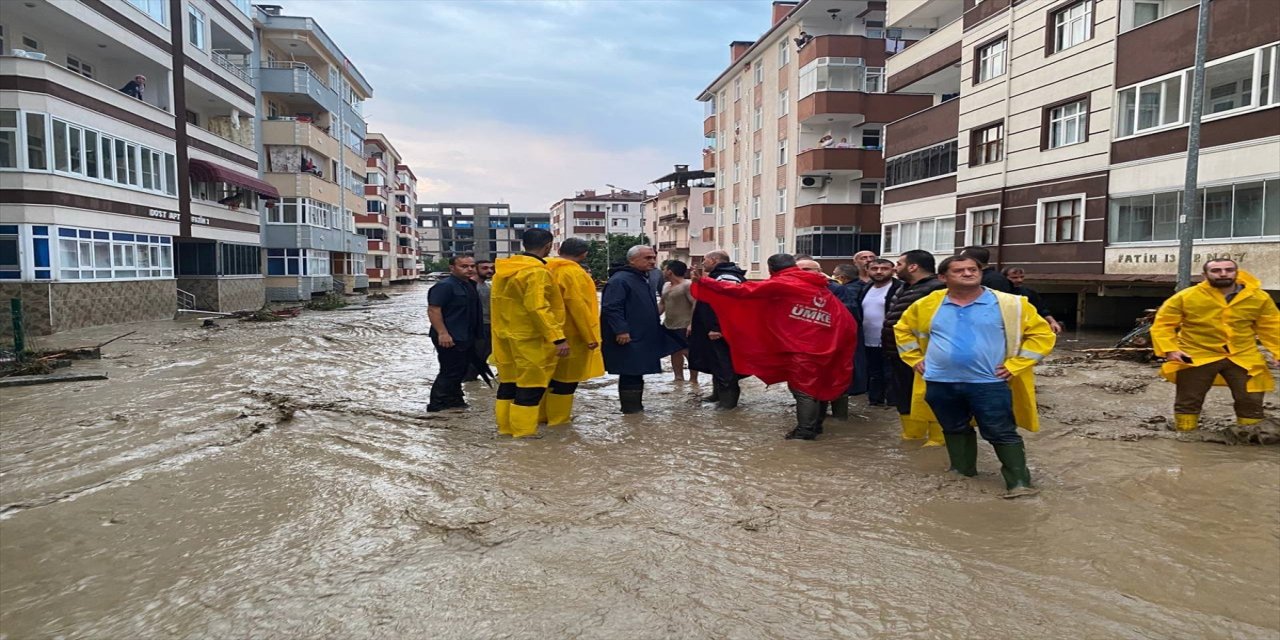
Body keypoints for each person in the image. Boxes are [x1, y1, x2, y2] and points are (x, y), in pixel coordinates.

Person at [894, 255, 1056, 498]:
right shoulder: (927, 304)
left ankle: (1019, 483)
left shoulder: (1011, 304)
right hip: (941, 381)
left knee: (1001, 431)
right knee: (954, 428)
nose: (968, 274)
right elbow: (902, 329)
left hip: (989, 382)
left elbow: (1042, 335)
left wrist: (1016, 365)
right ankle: (962, 471)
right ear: (943, 277)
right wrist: (915, 359)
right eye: (959, 270)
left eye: (973, 269)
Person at [693, 253, 857, 440]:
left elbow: (743, 290)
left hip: (802, 346)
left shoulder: (783, 283)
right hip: (828, 343)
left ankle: (805, 432)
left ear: (771, 269)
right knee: (819, 385)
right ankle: (816, 426)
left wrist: (705, 283)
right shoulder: (818, 284)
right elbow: (843, 318)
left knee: (803, 389)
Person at [1150, 259, 1279, 431]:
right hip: (1197, 354)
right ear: (1205, 275)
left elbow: (1271, 327)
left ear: (1236, 272)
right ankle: (1186, 438)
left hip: (1243, 355)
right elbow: (1163, 324)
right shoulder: (1186, 296)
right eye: (1216, 270)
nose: (1223, 274)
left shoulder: (1258, 298)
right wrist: (1170, 350)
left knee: (1251, 399)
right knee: (1188, 399)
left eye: (1229, 270)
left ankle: (1251, 437)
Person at [491, 229, 570, 439]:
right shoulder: (536, 272)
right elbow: (537, 307)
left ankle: (505, 429)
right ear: (548, 246)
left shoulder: (503, 270)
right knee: (530, 387)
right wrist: (558, 337)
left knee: (508, 384)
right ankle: (523, 435)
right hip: (530, 338)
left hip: (504, 336)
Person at [600, 246, 680, 414]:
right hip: (629, 336)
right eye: (647, 258)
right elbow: (611, 308)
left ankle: (636, 408)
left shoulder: (642, 277)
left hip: (643, 334)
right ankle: (631, 410)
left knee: (636, 371)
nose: (652, 261)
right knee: (630, 371)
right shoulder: (620, 280)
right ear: (632, 260)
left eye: (653, 258)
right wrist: (621, 330)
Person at [882, 250, 947, 446]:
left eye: (899, 264)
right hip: (900, 354)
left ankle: (938, 437)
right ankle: (913, 435)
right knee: (904, 394)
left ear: (913, 266)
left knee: (929, 395)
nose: (895, 268)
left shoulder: (937, 289)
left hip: (926, 356)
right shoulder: (904, 288)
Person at [544, 238, 606, 425]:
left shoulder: (543, 267)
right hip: (571, 335)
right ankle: (558, 421)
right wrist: (590, 336)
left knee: (544, 379)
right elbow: (579, 306)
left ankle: (540, 418)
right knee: (566, 380)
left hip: (545, 333)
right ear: (584, 254)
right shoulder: (573, 273)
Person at [688, 250, 747, 409]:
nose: (703, 263)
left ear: (714, 260)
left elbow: (727, 305)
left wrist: (717, 327)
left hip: (722, 331)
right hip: (714, 330)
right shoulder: (718, 275)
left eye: (705, 260)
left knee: (725, 365)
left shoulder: (727, 277)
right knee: (716, 363)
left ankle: (727, 405)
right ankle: (718, 395)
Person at [426, 255, 481, 412]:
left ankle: (454, 400)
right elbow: (433, 309)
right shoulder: (445, 286)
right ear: (452, 268)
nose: (469, 269)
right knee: (450, 370)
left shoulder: (470, 284)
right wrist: (443, 333)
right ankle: (437, 405)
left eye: (472, 266)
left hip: (466, 336)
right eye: (464, 266)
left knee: (461, 369)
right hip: (449, 336)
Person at [857, 258, 903, 407]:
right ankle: (875, 401)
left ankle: (893, 403)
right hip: (868, 339)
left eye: (884, 268)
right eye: (874, 268)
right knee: (874, 372)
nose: (879, 271)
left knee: (891, 373)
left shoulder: (900, 288)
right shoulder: (866, 288)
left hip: (891, 339)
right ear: (867, 271)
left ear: (893, 270)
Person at [659, 260, 697, 383]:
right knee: (674, 351)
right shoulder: (665, 286)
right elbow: (662, 304)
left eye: (664, 269)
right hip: (669, 324)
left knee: (688, 352)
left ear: (670, 271)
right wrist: (652, 317)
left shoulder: (687, 285)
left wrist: (692, 323)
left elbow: (695, 304)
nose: (663, 272)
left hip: (685, 325)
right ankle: (678, 378)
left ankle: (693, 380)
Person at [1003, 266, 1063, 334]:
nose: (1019, 280)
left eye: (1022, 277)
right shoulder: (1001, 292)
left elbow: (1042, 309)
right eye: (1014, 278)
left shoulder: (1029, 292)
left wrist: (1053, 322)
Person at [463, 259, 495, 382]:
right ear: (476, 269)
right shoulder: (469, 286)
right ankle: (468, 381)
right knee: (476, 355)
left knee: (485, 354)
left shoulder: (489, 286)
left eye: (491, 268)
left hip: (490, 325)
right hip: (476, 327)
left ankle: (472, 382)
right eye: (485, 268)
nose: (489, 271)